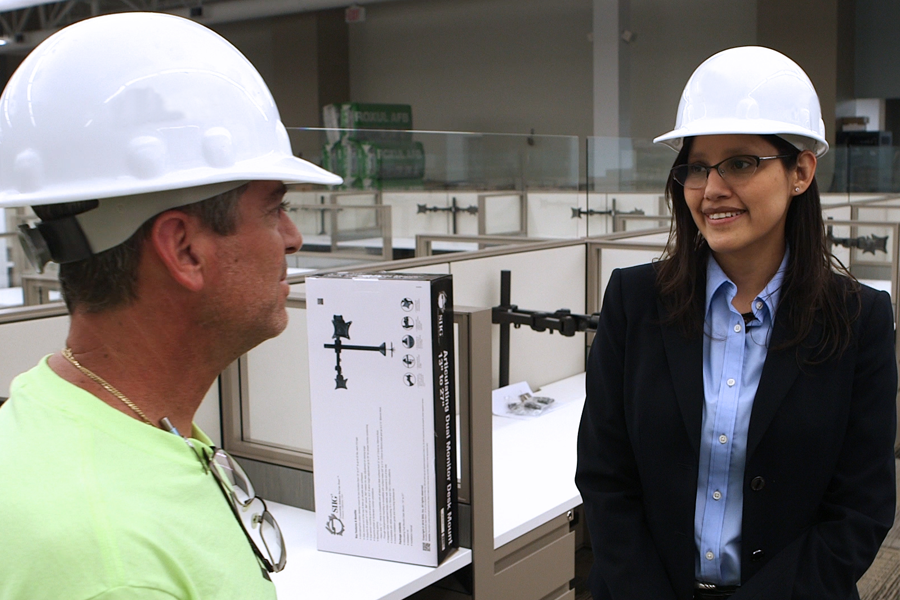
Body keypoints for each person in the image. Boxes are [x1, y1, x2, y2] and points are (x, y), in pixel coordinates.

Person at [0, 12, 341, 600]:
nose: (292, 236)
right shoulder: (112, 566)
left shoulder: (82, 412)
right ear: (184, 248)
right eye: (273, 208)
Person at [575, 46, 897, 600]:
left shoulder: (858, 318)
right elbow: (605, 478)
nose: (712, 188)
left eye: (741, 163)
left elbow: (859, 512)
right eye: (696, 167)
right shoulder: (635, 300)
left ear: (801, 171)